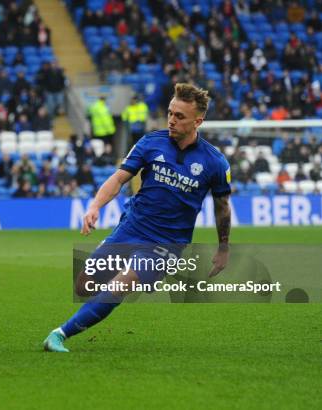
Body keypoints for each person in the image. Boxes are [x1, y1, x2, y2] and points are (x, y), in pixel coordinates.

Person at [43, 83, 232, 352]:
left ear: (198, 121)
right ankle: (112, 289)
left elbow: (222, 206)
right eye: (170, 113)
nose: (172, 120)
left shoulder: (215, 162)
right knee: (85, 285)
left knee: (122, 284)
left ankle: (59, 335)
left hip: (167, 243)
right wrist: (95, 206)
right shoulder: (150, 142)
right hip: (132, 227)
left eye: (180, 116)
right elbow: (119, 178)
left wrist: (224, 247)